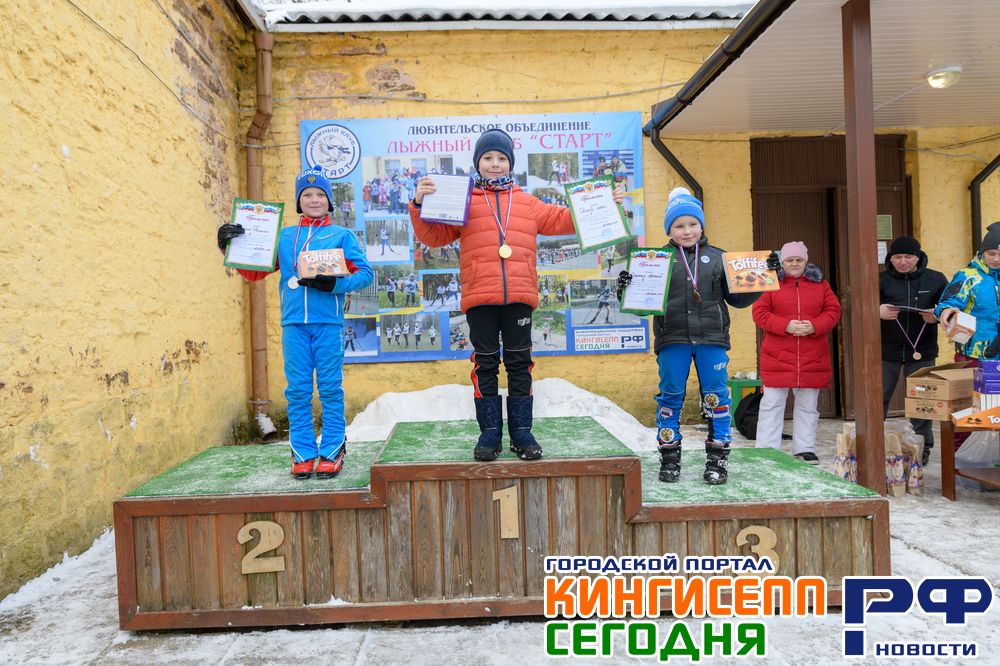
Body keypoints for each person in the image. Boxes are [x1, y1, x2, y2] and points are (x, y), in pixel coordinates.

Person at [411, 128, 623, 461]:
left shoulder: (527, 203)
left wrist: (601, 203)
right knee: (485, 364)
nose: (495, 163)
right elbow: (433, 237)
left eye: (501, 158)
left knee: (519, 363)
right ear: (478, 163)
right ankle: (489, 434)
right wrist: (418, 204)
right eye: (487, 157)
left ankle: (522, 432)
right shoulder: (463, 201)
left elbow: (561, 220)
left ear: (510, 163)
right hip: (480, 298)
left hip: (519, 297)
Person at [216, 168, 374, 479]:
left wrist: (336, 285)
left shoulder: (341, 235)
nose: (314, 200)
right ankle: (302, 453)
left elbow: (366, 274)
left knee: (330, 389)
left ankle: (333, 449)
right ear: (299, 201)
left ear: (329, 201)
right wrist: (228, 246)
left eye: (320, 195)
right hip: (293, 326)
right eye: (307, 195)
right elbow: (254, 272)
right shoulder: (284, 237)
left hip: (328, 324)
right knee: (298, 391)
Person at [617, 187, 760, 484]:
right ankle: (669, 459)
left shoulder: (719, 258)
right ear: (669, 230)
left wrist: (761, 280)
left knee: (716, 397)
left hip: (711, 339)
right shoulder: (656, 260)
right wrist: (626, 289)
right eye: (679, 226)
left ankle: (717, 460)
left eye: (693, 224)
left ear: (701, 225)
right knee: (670, 396)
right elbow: (642, 307)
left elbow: (738, 299)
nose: (687, 231)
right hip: (673, 339)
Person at [751, 242, 841, 464]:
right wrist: (786, 325)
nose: (794, 264)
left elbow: (833, 310)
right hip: (777, 355)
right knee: (772, 403)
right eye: (789, 260)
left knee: (808, 406)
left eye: (799, 260)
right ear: (782, 262)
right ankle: (767, 449)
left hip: (812, 355)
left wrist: (814, 326)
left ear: (805, 261)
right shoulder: (770, 282)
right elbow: (759, 312)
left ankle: (805, 449)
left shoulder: (821, 285)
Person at [880, 236, 947, 466]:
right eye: (897, 257)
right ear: (890, 258)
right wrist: (877, 311)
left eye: (908, 257)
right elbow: (860, 307)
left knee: (922, 402)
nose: (903, 262)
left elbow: (950, 307)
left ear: (918, 257)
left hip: (922, 351)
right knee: (879, 397)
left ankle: (922, 449)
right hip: (886, 350)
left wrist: (937, 315)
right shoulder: (880, 280)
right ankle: (876, 444)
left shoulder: (936, 279)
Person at [937, 222, 1000, 454]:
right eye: (991, 253)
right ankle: (960, 460)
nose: (996, 259)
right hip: (974, 356)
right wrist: (947, 311)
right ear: (982, 253)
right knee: (968, 413)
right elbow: (948, 301)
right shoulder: (968, 276)